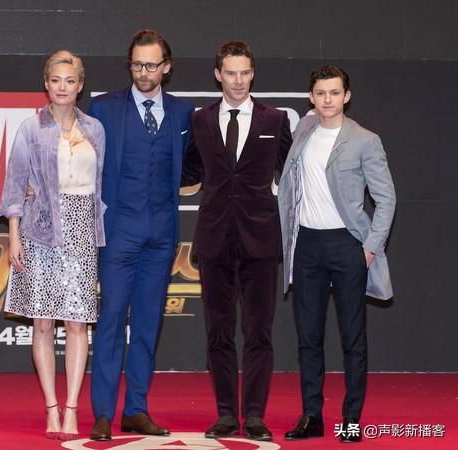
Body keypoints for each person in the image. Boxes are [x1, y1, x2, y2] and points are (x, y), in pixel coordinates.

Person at [181, 41, 292, 441]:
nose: (239, 80)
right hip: (214, 240)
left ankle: (255, 415)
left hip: (260, 239)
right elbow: (187, 172)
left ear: (253, 73)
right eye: (231, 72)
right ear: (218, 75)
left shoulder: (275, 119)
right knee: (219, 332)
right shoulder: (200, 120)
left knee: (259, 332)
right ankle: (227, 413)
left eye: (245, 72)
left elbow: (294, 173)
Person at [278, 65, 396, 443]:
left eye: (334, 93)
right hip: (307, 247)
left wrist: (369, 249)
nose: (327, 99)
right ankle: (312, 415)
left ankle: (351, 419)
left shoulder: (365, 140)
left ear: (346, 96)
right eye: (320, 93)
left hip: (347, 247)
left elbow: (386, 199)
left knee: (352, 339)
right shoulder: (304, 129)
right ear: (311, 98)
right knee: (308, 338)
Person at [0, 50, 106, 441]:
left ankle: (72, 408)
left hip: (82, 230)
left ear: (80, 85)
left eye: (69, 81)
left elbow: (100, 186)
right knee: (42, 322)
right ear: (46, 83)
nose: (62, 87)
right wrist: (13, 235)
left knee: (77, 323)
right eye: (56, 80)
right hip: (39, 231)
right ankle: (52, 407)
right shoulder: (30, 128)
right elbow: (14, 185)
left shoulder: (95, 129)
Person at [87, 29, 194, 441]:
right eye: (136, 64)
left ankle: (136, 409)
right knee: (111, 319)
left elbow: (196, 167)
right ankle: (102, 413)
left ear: (166, 67)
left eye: (151, 65)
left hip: (162, 234)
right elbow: (77, 162)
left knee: (148, 324)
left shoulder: (184, 114)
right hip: (118, 232)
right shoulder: (103, 108)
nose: (143, 72)